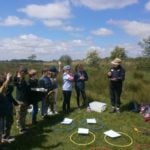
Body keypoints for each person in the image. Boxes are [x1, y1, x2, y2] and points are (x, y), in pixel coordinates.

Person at [0, 73, 16, 145]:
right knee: (3, 127)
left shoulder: (4, 91)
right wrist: (7, 80)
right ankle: (4, 138)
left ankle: (5, 138)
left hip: (5, 111)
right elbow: (1, 90)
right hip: (2, 113)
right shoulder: (1, 91)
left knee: (8, 123)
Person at [13, 66, 29, 134]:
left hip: (24, 99)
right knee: (20, 115)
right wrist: (18, 76)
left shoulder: (23, 79)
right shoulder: (17, 79)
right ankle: (21, 129)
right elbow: (14, 83)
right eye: (24, 73)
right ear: (21, 72)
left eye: (25, 73)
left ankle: (23, 126)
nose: (25, 74)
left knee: (24, 114)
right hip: (20, 100)